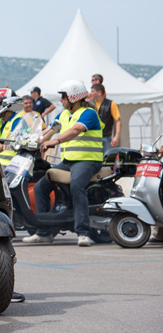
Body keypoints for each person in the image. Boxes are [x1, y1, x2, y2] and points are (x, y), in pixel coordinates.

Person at [24, 79, 104, 247]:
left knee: (77, 186)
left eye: (63, 96)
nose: (61, 100)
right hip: (68, 162)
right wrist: (30, 140)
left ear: (73, 97)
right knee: (40, 187)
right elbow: (49, 130)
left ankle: (83, 233)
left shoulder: (88, 113)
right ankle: (44, 233)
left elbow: (75, 130)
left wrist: (55, 141)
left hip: (88, 160)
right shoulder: (64, 115)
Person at [90, 83, 120, 151]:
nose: (91, 93)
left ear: (99, 92)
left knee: (107, 156)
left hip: (106, 137)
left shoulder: (111, 104)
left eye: (92, 91)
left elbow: (118, 121)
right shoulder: (89, 104)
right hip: (92, 137)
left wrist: (117, 136)